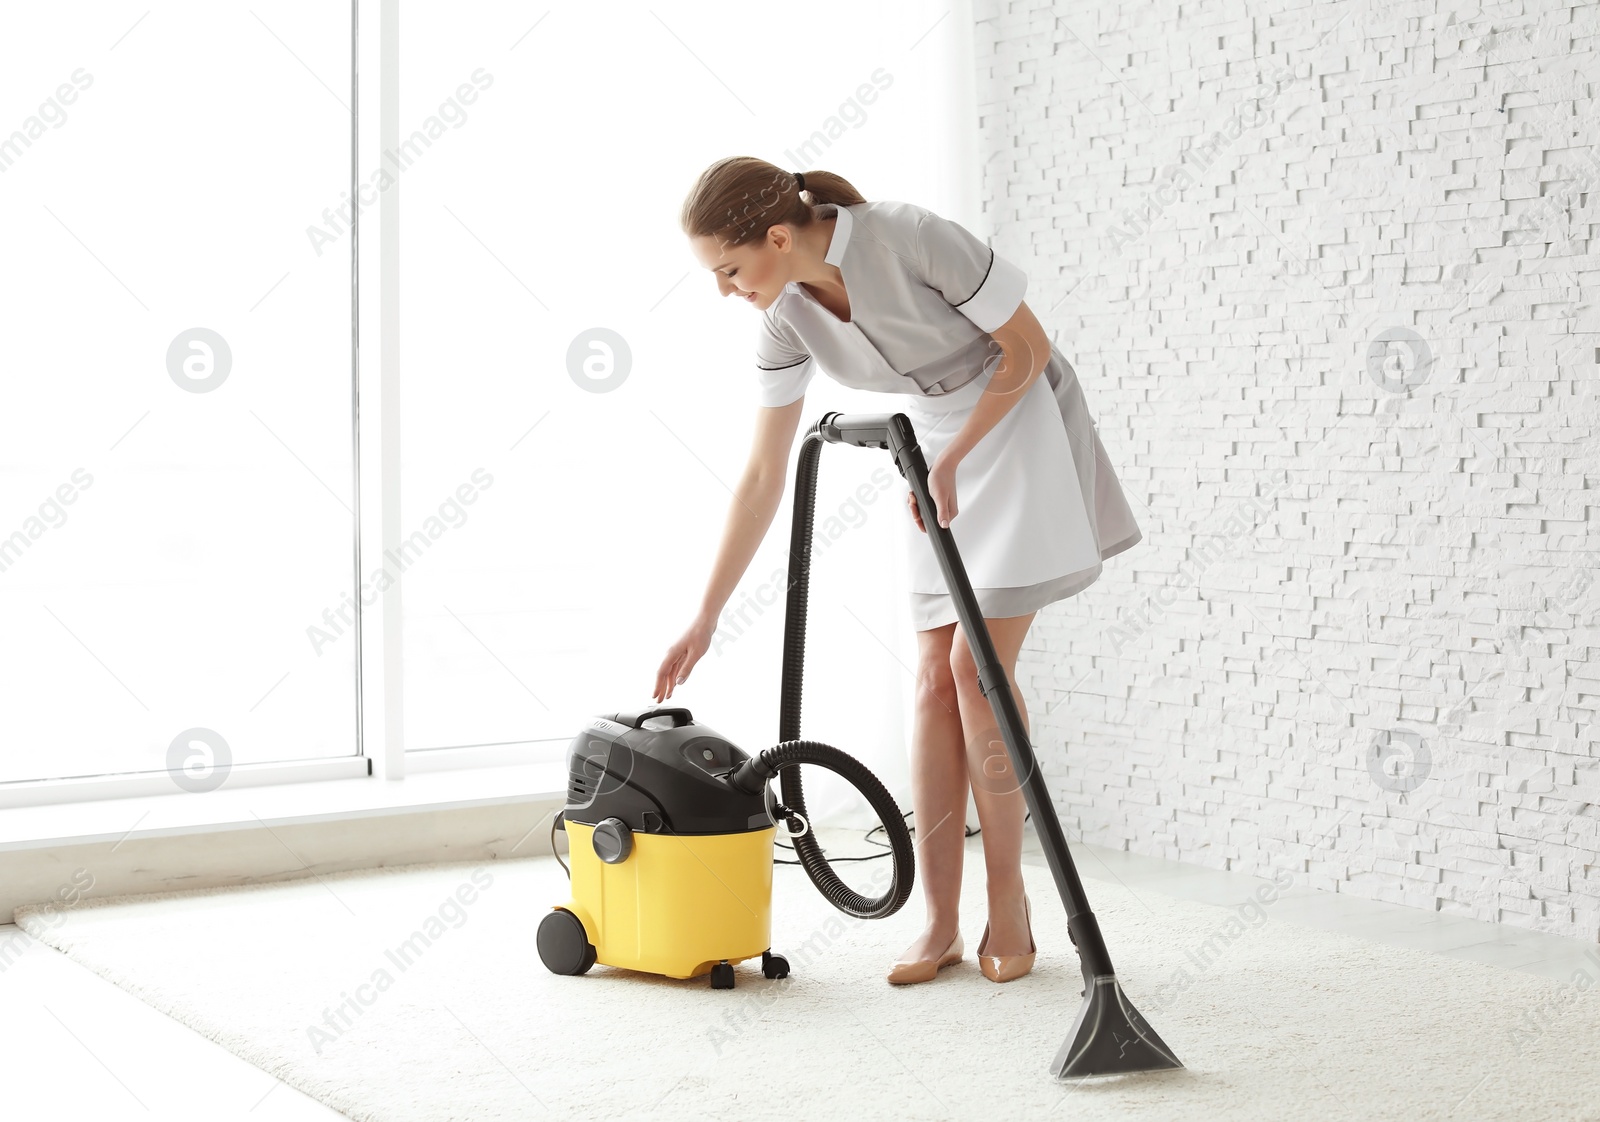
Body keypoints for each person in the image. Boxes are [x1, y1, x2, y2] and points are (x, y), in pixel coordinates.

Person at [653, 156, 1142, 985]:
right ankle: (940, 923)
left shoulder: (908, 236)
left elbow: (1027, 346)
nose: (726, 291)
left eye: (729, 270)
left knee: (973, 669)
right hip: (930, 445)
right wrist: (705, 615)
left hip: (1013, 418)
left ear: (777, 236)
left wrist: (956, 459)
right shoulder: (784, 319)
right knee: (929, 678)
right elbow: (765, 476)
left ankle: (1009, 905)